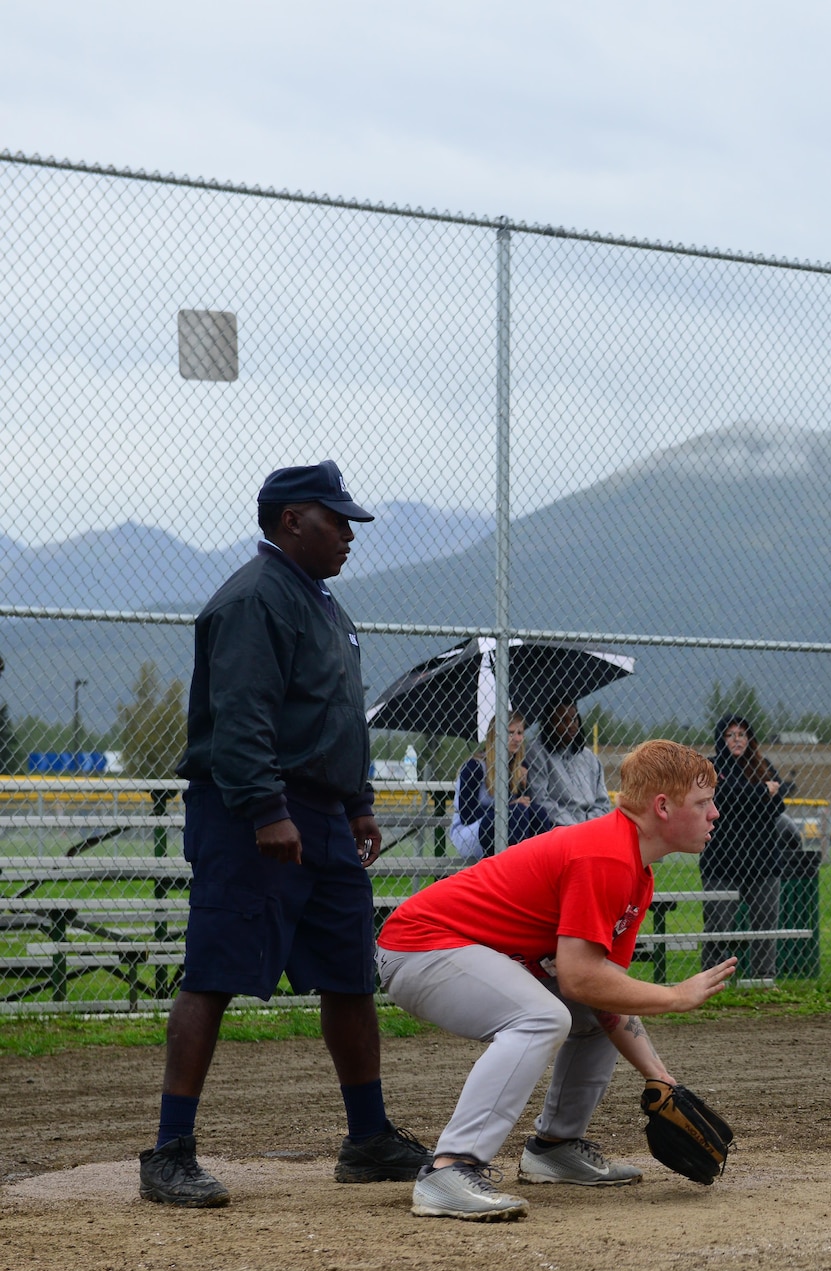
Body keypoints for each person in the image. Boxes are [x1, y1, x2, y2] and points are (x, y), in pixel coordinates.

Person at [142, 461, 431, 1209]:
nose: (348, 534)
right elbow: (242, 718)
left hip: (325, 814)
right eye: (337, 520)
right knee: (214, 967)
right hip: (249, 812)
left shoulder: (323, 603)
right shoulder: (253, 598)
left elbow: (338, 716)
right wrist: (267, 809)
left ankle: (367, 1137)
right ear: (290, 518)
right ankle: (169, 1149)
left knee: (348, 971)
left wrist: (359, 801)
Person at [374, 739, 738, 1221]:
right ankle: (449, 1170)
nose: (714, 813)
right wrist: (673, 996)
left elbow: (604, 990)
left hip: (456, 950)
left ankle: (554, 1148)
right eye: (703, 802)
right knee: (543, 1016)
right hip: (419, 946)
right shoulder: (606, 856)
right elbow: (580, 975)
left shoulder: (636, 868)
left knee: (592, 1009)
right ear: (663, 807)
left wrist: (660, 1079)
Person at [699, 715, 791, 983]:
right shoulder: (712, 767)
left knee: (765, 924)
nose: (737, 740)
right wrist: (762, 792)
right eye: (730, 735)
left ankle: (764, 977)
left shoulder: (762, 766)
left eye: (742, 734)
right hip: (721, 862)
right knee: (718, 926)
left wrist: (753, 795)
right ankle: (713, 981)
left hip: (763, 862)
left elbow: (778, 807)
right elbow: (723, 796)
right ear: (721, 739)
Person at [451, 712, 556, 858]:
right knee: (517, 811)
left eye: (520, 733)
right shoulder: (474, 767)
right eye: (511, 733)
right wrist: (507, 808)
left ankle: (542, 863)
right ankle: (514, 867)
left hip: (504, 826)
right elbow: (467, 816)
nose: (517, 738)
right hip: (469, 833)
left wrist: (523, 787)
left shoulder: (517, 768)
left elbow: (526, 811)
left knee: (538, 812)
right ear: (496, 735)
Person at [526, 702, 613, 826]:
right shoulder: (537, 752)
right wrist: (573, 828)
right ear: (550, 723)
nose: (570, 725)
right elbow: (540, 800)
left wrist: (588, 826)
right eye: (562, 720)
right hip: (558, 826)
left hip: (590, 826)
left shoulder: (589, 758)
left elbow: (602, 802)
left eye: (574, 719)